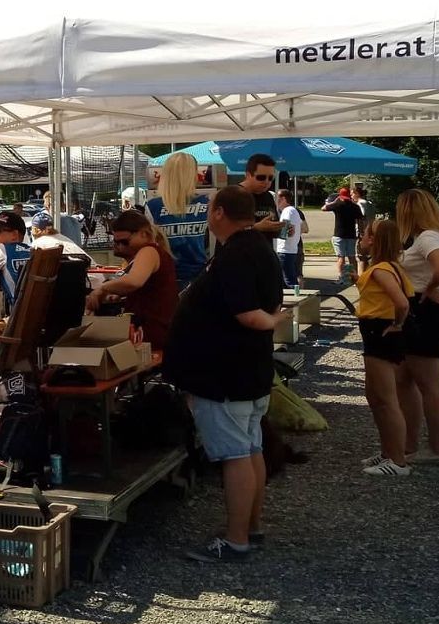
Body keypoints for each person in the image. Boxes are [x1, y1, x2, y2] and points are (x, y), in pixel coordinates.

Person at [164, 186, 288, 563]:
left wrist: (273, 323)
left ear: (219, 212)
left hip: (225, 376)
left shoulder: (236, 254)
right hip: (245, 371)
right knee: (250, 449)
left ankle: (236, 541)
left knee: (236, 456)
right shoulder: (257, 248)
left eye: (209, 208)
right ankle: (251, 527)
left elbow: (249, 313)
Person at [395, 188, 439, 465]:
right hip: (424, 312)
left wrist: (430, 287)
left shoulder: (428, 238)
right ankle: (409, 444)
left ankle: (436, 449)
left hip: (426, 313)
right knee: (404, 379)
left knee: (429, 385)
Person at [357, 217, 415, 476]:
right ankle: (388, 451)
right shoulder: (387, 267)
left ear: (374, 240)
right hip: (375, 332)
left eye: (365, 234)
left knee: (386, 399)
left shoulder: (382, 269)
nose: (361, 238)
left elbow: (402, 303)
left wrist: (397, 324)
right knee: (375, 396)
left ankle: (398, 461)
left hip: (380, 332)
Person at [86, 210, 177, 350]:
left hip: (152, 333)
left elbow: (134, 281)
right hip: (152, 331)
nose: (120, 246)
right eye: (116, 241)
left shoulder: (149, 251)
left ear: (143, 234)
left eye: (124, 241)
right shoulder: (150, 254)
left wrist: (103, 288)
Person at [146, 153, 211, 288]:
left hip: (165, 277)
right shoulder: (207, 204)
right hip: (199, 276)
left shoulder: (153, 207)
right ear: (192, 174)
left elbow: (149, 245)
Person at [237, 153, 284, 243]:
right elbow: (224, 230)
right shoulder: (232, 195)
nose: (266, 182)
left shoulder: (268, 196)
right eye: (261, 177)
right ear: (248, 175)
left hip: (264, 250)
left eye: (270, 178)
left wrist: (283, 230)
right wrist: (255, 228)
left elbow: (272, 228)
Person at [319, 187, 363, 280]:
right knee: (352, 257)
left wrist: (335, 201)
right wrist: (360, 232)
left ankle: (342, 277)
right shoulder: (355, 206)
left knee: (341, 257)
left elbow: (323, 208)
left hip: (339, 234)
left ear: (340, 196)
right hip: (351, 235)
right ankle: (354, 277)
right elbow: (360, 220)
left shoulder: (337, 204)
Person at [275, 191, 308, 289]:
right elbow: (302, 228)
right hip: (290, 249)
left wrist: (272, 231)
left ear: (283, 199)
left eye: (277, 198)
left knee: (288, 281)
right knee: (290, 279)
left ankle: (295, 296)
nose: (275, 200)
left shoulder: (287, 211)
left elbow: (287, 232)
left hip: (285, 250)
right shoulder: (293, 211)